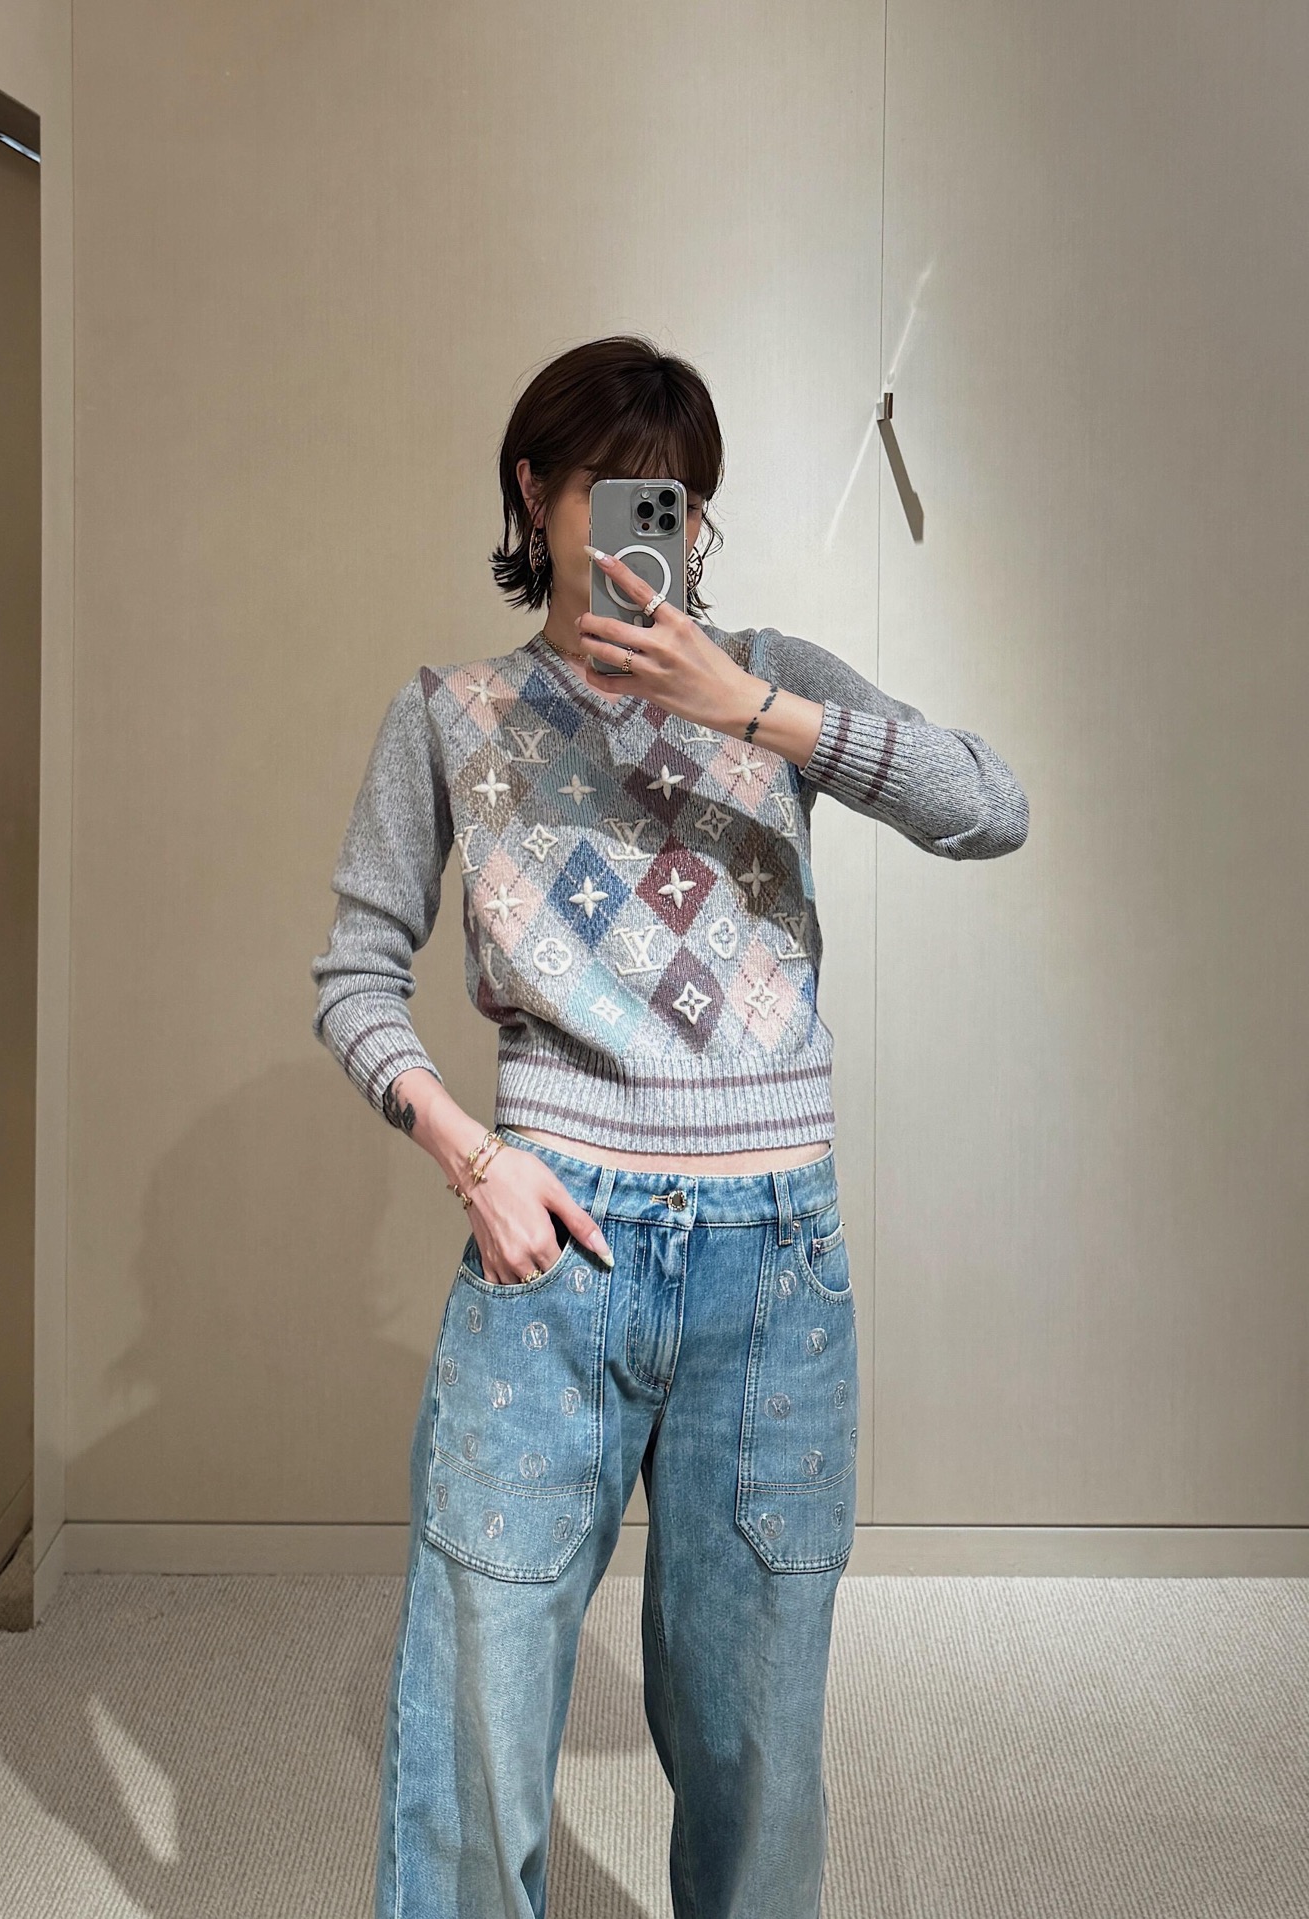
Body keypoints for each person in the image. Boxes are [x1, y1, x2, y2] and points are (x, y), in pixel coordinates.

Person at [310, 334, 1029, 1919]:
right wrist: (474, 1158)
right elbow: (354, 973)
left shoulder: (773, 677)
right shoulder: (455, 714)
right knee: (474, 1739)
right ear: (535, 494)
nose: (662, 529)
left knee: (754, 1749)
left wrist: (759, 710)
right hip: (549, 1254)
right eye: (620, 490)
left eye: (683, 500)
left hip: (771, 1270)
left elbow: (991, 805)